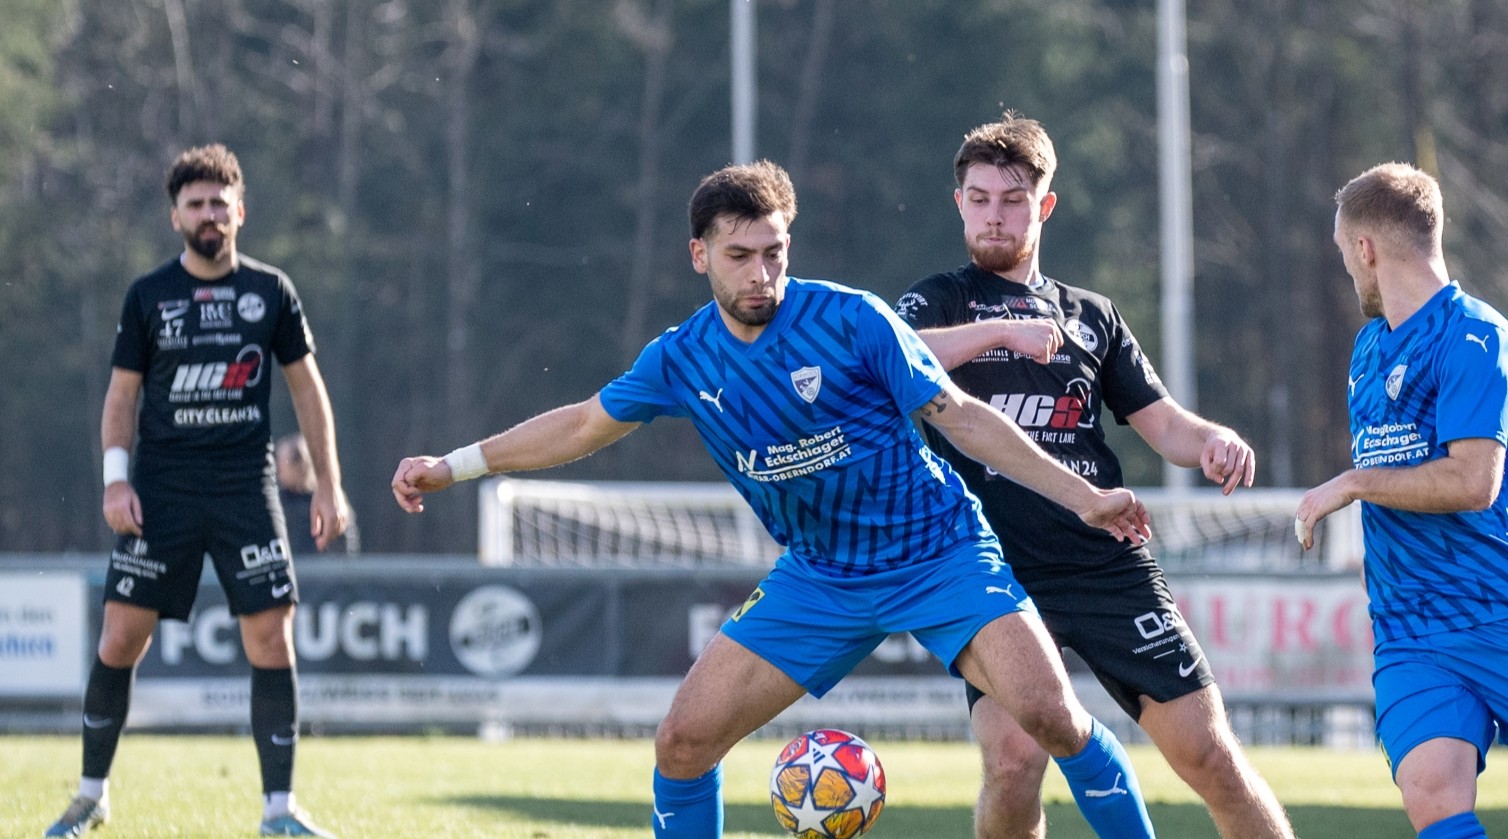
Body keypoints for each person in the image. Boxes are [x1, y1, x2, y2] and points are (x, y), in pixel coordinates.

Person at [393, 160, 1161, 838]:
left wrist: (1085, 496)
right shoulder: (682, 357)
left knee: (1054, 719)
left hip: (939, 554)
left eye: (774, 253)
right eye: (739, 256)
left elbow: (959, 415)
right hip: (821, 575)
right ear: (699, 255)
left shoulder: (852, 319)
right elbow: (582, 424)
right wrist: (453, 466)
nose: (761, 274)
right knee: (683, 742)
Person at [895, 114, 1295, 839]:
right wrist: (999, 331)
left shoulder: (1093, 316)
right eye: (978, 199)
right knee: (1013, 759)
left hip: (1105, 561)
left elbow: (1164, 423)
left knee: (1210, 755)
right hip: (992, 571)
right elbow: (897, 358)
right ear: (959, 204)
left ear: (1045, 206)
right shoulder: (938, 301)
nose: (993, 215)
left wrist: (1213, 439)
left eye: (1012, 200)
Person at [46, 144, 349, 839]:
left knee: (272, 635)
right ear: (175, 216)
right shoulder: (148, 296)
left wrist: (330, 485)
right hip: (163, 490)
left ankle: (279, 811)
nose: (208, 214)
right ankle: (90, 797)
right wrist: (115, 480)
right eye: (195, 204)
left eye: (219, 203)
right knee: (121, 635)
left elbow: (308, 390)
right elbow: (121, 397)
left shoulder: (271, 291)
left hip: (246, 487)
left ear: (241, 211)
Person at [1296, 162, 1508, 839]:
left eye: (1345, 255)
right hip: (1410, 629)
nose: (1348, 271)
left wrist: (1352, 482)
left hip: (1506, 612)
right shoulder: (1368, 349)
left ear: (1366, 249)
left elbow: (1472, 482)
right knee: (1432, 795)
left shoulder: (1476, 336)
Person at [276, 432, 359, 556]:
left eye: (282, 463)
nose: (278, 469)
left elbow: (345, 544)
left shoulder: (328, 500)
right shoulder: (277, 502)